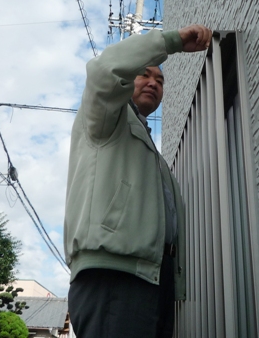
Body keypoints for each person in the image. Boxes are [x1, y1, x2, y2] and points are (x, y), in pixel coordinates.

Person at [64, 24, 213, 338]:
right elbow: (105, 69)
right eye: (144, 74)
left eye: (160, 80)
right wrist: (171, 42)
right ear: (126, 80)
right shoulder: (106, 118)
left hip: (154, 278)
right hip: (114, 273)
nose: (153, 83)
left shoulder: (150, 154)